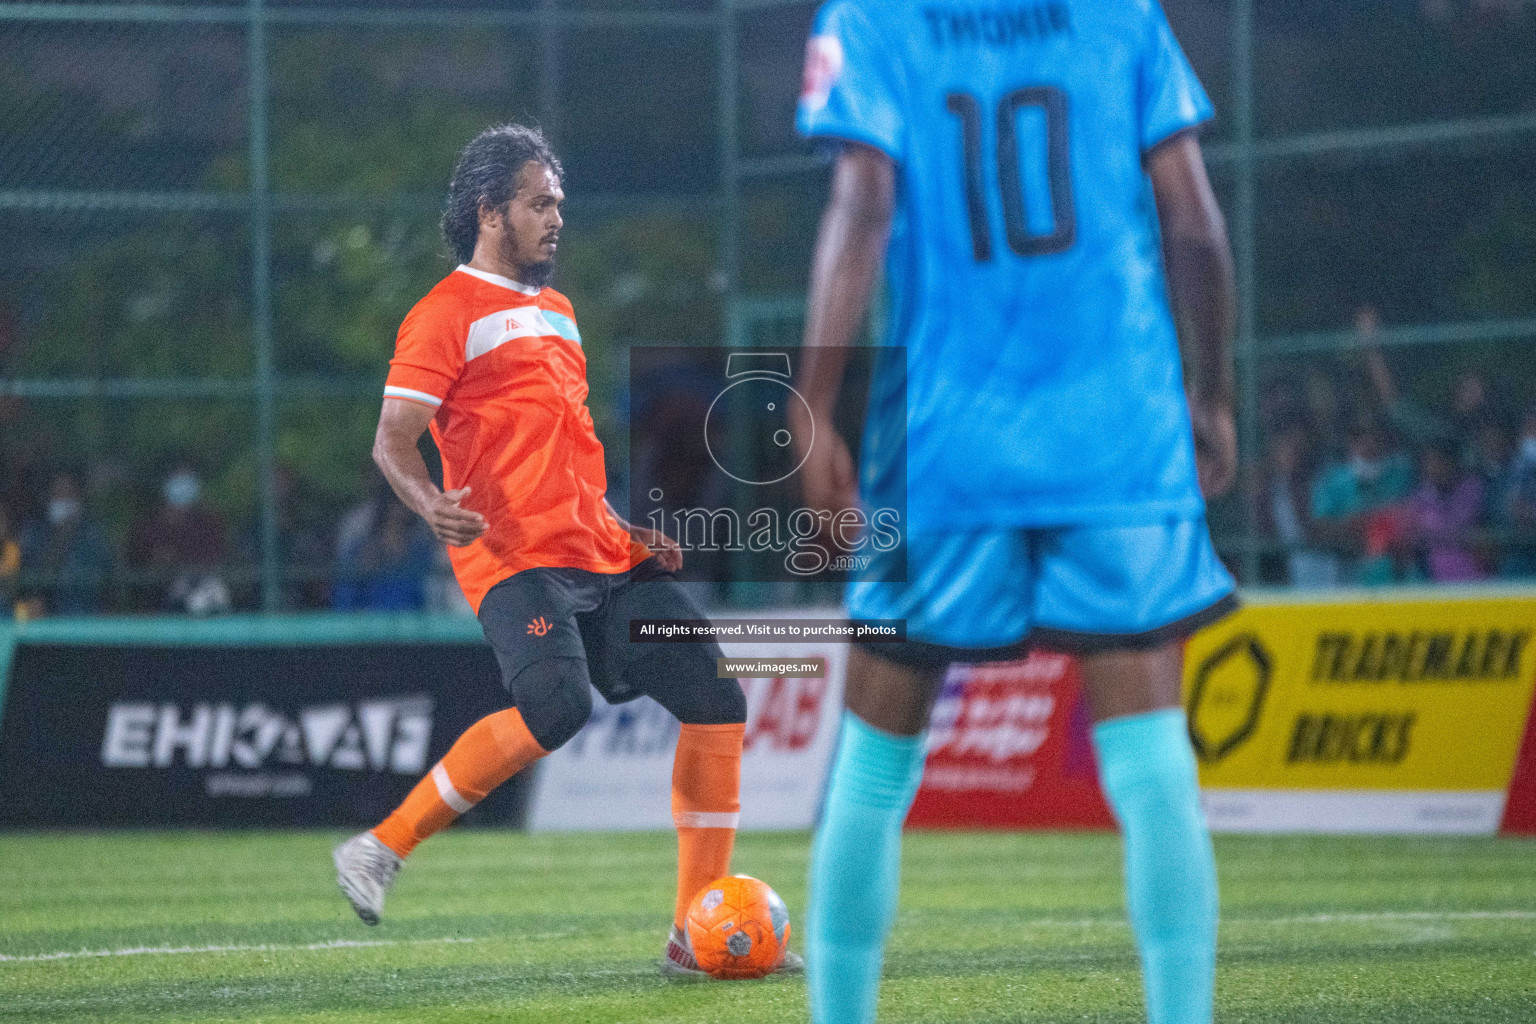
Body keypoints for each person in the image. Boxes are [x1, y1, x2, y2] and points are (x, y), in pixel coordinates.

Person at [793, 4, 1235, 1023]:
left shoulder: (872, 18)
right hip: (1116, 426)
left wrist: (811, 407)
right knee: (1151, 756)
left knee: (873, 761)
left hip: (947, 439)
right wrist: (1209, 397)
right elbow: (1194, 223)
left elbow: (860, 207)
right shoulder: (1118, 14)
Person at [329, 124, 797, 979]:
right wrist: (431, 504)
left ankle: (691, 937)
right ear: (491, 212)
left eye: (560, 205)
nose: (556, 219)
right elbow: (391, 441)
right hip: (512, 561)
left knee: (716, 698)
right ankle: (380, 848)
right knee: (557, 711)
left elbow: (568, 452)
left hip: (602, 555)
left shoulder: (560, 313)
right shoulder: (443, 315)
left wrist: (626, 530)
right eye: (539, 203)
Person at [1309, 416, 1415, 585]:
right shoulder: (1332, 480)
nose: (1368, 443)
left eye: (1375, 437)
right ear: (1350, 442)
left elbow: (1416, 517)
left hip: (1399, 578)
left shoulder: (1403, 475)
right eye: (1360, 437)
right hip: (1349, 578)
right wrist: (1351, 526)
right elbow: (1319, 528)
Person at [129, 461, 231, 614]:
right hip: (157, 604)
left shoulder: (209, 524)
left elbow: (219, 559)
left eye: (187, 480)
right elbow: (133, 564)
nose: (182, 487)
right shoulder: (148, 526)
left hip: (202, 594)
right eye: (177, 479)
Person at [18, 470, 113, 616]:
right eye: (59, 494)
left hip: (88, 615)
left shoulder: (92, 532)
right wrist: (63, 535)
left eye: (69, 494)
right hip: (46, 617)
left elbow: (107, 574)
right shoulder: (33, 532)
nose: (64, 500)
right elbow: (32, 576)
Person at [1404, 441, 1487, 582]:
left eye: (1438, 461)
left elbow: (1465, 526)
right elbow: (1412, 533)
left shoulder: (1474, 488)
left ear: (1453, 462)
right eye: (1428, 462)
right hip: (1432, 575)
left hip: (1476, 571)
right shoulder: (1419, 496)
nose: (1433, 468)